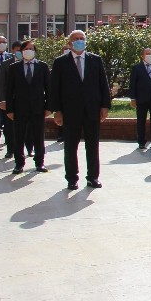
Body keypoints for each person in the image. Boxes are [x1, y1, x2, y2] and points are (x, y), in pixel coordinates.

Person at [48, 30, 111, 190]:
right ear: (70, 43)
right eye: (76, 39)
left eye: (82, 38)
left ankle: (93, 177)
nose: (79, 41)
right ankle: (72, 178)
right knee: (70, 146)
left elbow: (103, 84)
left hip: (92, 110)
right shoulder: (60, 62)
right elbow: (54, 88)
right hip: (70, 111)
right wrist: (57, 110)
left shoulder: (95, 60)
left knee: (92, 145)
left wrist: (105, 106)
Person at [4, 39, 50, 174]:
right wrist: (9, 109)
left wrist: (48, 107)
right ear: (21, 51)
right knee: (19, 137)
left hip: (38, 107)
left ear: (35, 51)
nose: (28, 51)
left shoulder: (42, 66)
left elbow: (49, 88)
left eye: (31, 49)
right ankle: (19, 163)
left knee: (38, 136)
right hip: (19, 108)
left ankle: (39, 162)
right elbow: (9, 90)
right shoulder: (14, 68)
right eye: (26, 49)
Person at [129, 47, 151, 150]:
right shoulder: (137, 68)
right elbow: (132, 84)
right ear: (142, 56)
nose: (149, 55)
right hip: (141, 99)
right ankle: (141, 142)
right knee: (141, 121)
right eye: (147, 54)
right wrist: (133, 98)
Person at [0, 38, 21, 158]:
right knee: (8, 125)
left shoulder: (32, 63)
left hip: (24, 100)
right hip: (8, 98)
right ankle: (10, 149)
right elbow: (2, 83)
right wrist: (2, 99)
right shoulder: (7, 64)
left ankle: (27, 148)